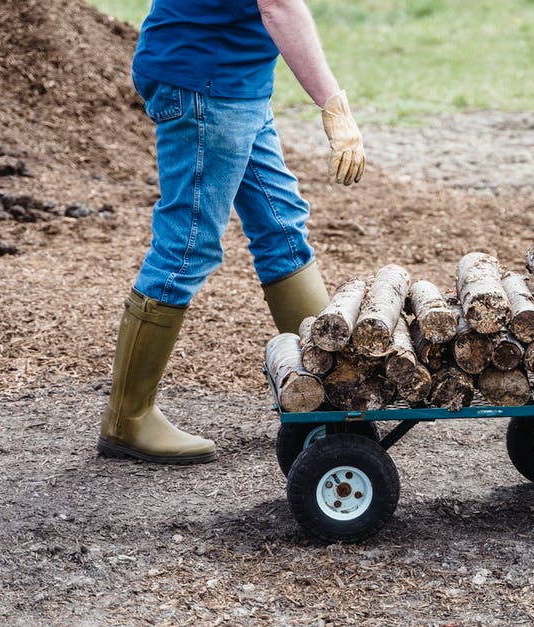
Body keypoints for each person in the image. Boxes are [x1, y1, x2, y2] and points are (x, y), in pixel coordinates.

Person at [97, 0, 366, 465]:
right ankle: (128, 419)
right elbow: (278, 6)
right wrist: (333, 105)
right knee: (186, 246)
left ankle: (332, 387)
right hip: (207, 83)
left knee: (281, 227)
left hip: (235, 83)